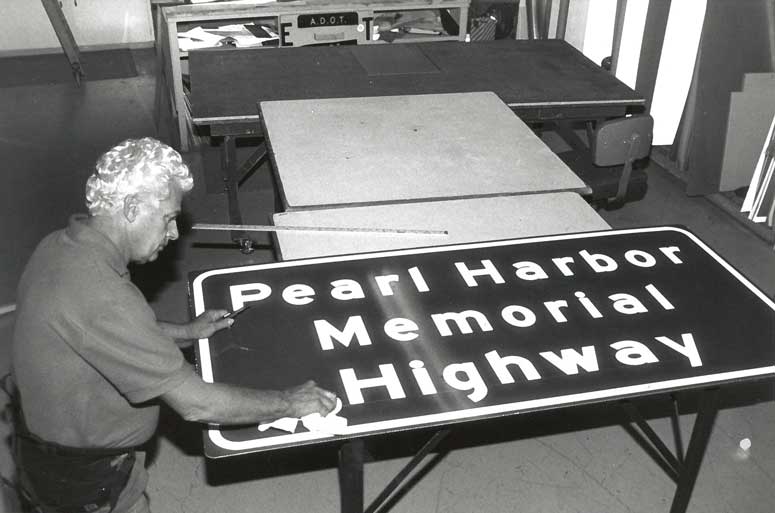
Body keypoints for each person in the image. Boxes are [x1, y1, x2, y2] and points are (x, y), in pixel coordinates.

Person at [10, 137, 337, 513]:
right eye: (167, 218)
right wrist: (289, 403)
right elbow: (198, 404)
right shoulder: (103, 296)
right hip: (88, 483)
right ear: (132, 207)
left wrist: (186, 331)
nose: (174, 234)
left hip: (47, 455)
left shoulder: (61, 247)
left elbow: (108, 335)